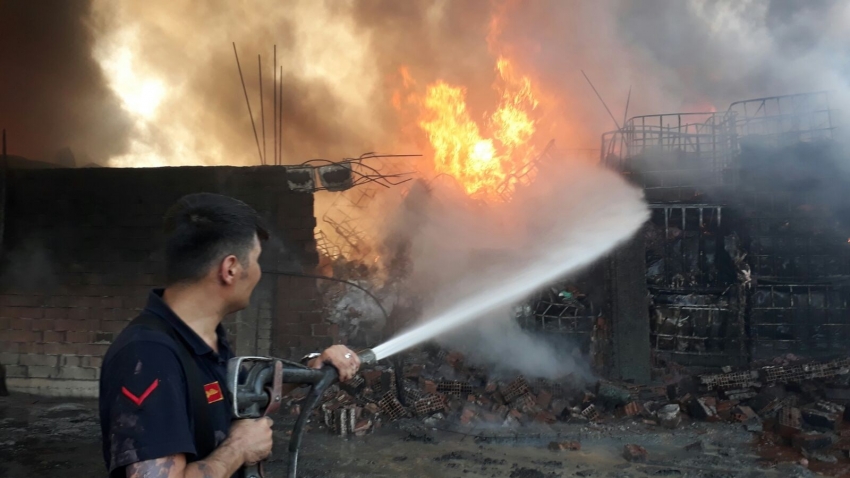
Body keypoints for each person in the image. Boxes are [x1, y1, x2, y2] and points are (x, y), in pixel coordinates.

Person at [99, 193, 361, 478]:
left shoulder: (204, 340)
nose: (260, 272)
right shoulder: (149, 356)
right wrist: (238, 449)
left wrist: (310, 367)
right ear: (231, 269)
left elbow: (237, 397)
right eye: (257, 260)